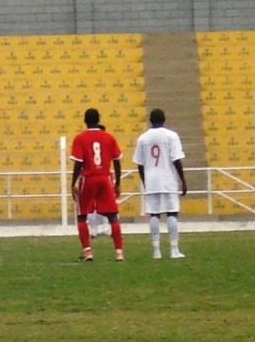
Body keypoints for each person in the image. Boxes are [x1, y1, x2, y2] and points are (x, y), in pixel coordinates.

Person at [70, 108, 124, 262]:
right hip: (105, 178)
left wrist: (73, 183)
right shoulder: (109, 137)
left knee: (82, 216)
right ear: (99, 119)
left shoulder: (80, 138)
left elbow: (78, 163)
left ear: (85, 121)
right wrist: (118, 182)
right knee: (113, 216)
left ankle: (88, 252)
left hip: (88, 178)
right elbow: (117, 161)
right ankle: (119, 252)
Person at [133, 108, 188, 259]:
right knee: (172, 212)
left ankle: (156, 251)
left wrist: (145, 182)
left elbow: (140, 164)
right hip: (168, 179)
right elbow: (176, 159)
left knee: (154, 214)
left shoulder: (143, 138)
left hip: (151, 180)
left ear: (150, 120)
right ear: (164, 119)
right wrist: (183, 180)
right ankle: (174, 249)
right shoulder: (171, 136)